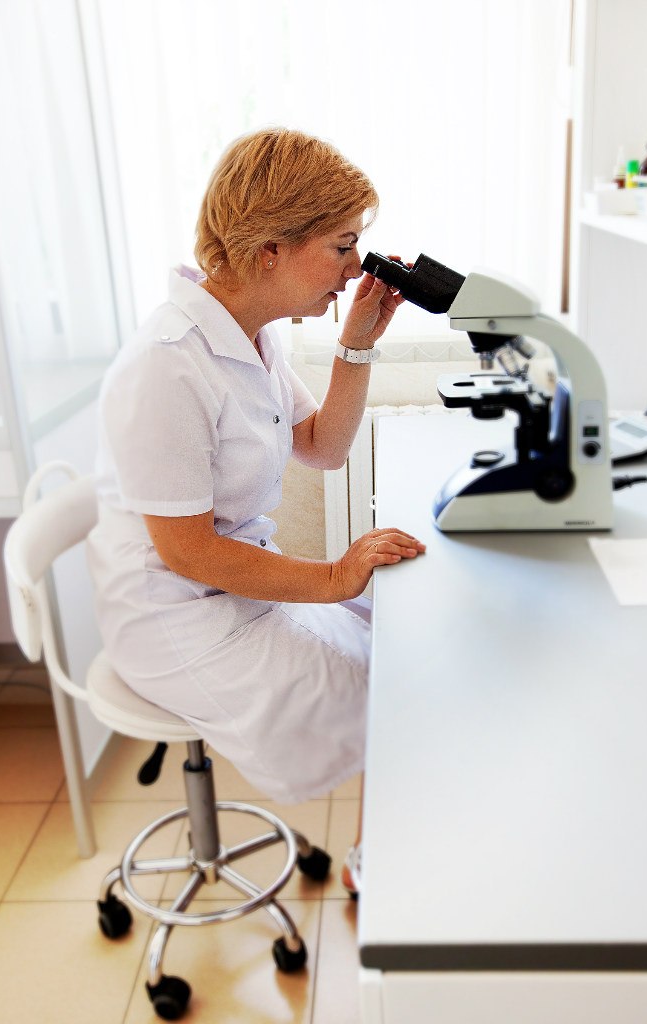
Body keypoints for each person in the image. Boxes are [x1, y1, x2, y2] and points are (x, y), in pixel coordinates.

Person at [87, 127, 426, 895]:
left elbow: (322, 446)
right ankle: (382, 876)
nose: (355, 268)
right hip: (175, 613)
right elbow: (189, 554)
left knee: (409, 642)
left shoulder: (250, 334)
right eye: (343, 246)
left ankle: (386, 855)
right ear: (270, 248)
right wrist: (334, 576)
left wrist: (358, 343)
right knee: (384, 691)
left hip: (231, 583)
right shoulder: (166, 366)